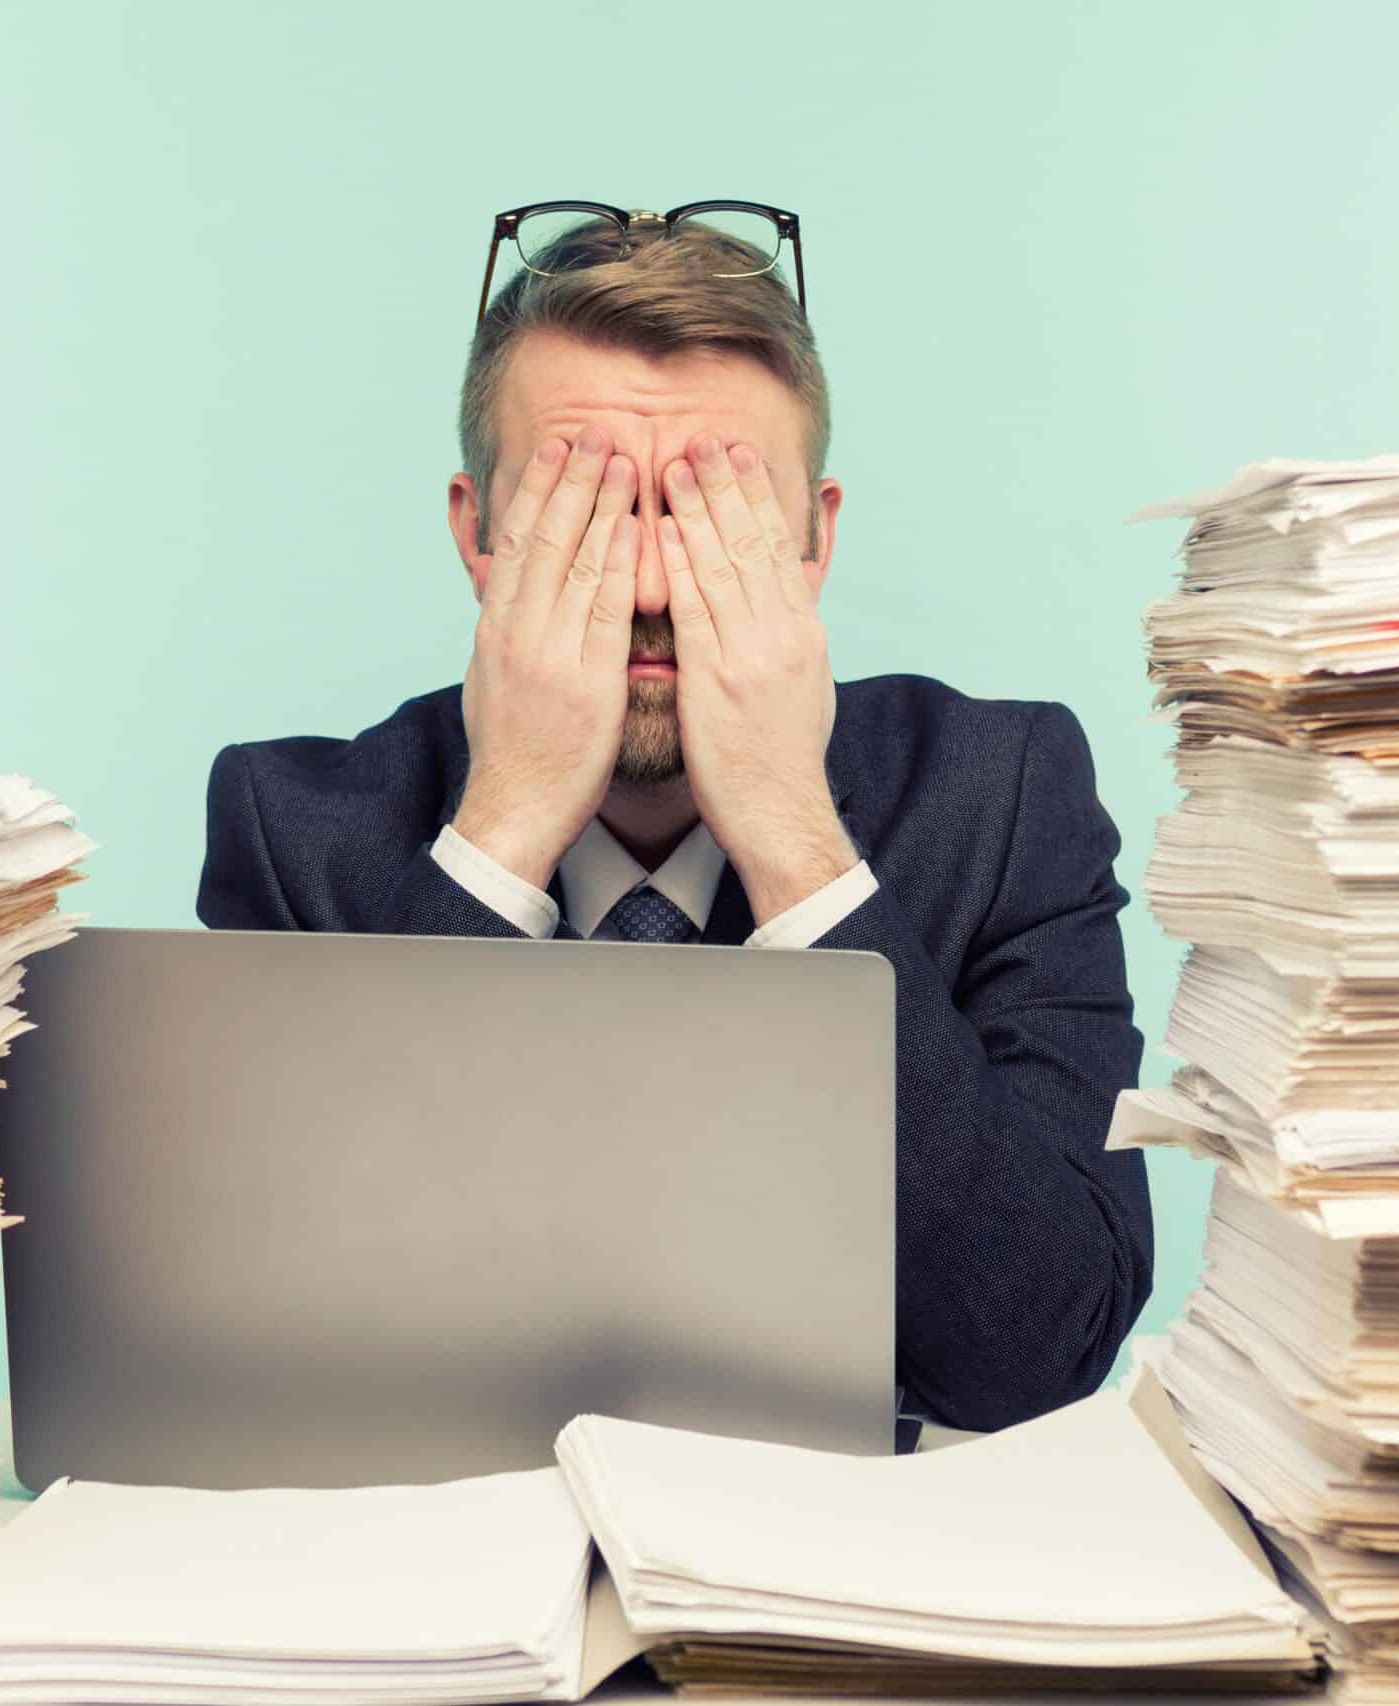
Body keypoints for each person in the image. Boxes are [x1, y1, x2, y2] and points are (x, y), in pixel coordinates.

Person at [196, 205, 1150, 1439]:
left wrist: (796, 838)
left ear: (813, 540)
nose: (649, 586)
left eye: (714, 514)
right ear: (476, 534)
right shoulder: (292, 826)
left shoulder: (1003, 790)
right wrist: (503, 824)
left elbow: (1035, 1354)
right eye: (582, 508)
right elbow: (275, 1351)